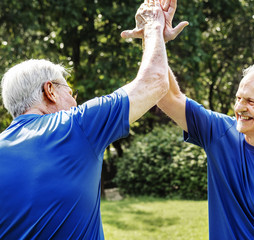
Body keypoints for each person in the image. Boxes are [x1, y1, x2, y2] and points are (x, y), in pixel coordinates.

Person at [122, 1, 254, 239]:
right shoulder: (220, 133)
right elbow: (167, 97)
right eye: (239, 98)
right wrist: (153, 32)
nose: (240, 107)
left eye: (251, 101)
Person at [0, 0, 168, 239]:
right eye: (70, 92)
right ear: (50, 91)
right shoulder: (75, 126)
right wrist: (153, 26)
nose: (75, 102)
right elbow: (155, 81)